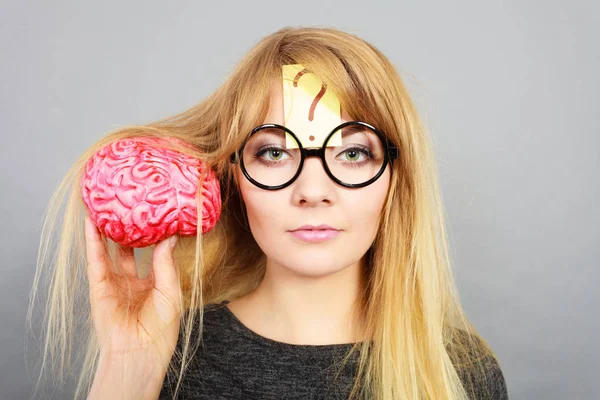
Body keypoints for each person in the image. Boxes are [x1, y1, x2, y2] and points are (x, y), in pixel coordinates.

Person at [28, 26, 508, 399]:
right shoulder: (171, 358)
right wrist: (127, 369)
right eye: (275, 154)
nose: (314, 192)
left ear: (395, 180)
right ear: (233, 176)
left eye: (354, 154)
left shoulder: (460, 373)